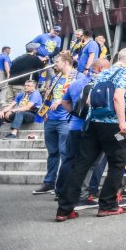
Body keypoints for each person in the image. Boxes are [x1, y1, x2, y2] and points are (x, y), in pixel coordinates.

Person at [55, 48, 126, 221]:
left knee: (81, 164)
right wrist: (123, 122)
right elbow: (118, 97)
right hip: (113, 126)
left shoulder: (104, 73)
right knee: (117, 162)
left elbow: (87, 100)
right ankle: (108, 205)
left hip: (92, 124)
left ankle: (64, 209)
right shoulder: (124, 72)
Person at [32, 51, 79, 195]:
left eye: (57, 62)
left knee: (65, 153)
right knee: (52, 153)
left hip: (65, 120)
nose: (55, 64)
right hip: (50, 119)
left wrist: (63, 100)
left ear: (65, 62)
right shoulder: (56, 77)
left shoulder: (78, 77)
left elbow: (78, 97)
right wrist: (44, 111)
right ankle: (49, 182)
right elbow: (49, 95)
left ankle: (64, 185)